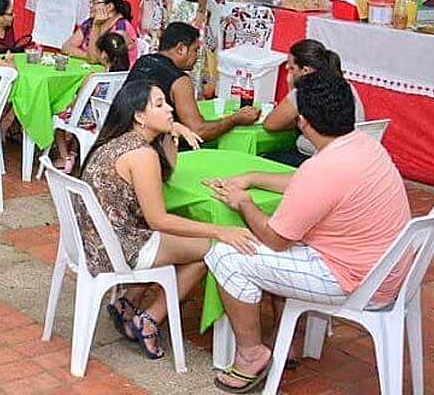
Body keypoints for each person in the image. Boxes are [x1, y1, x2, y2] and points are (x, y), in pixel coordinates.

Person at [203, 72, 411, 393]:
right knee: (267, 245)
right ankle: (290, 338)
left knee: (225, 254)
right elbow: (309, 185)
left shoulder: (322, 168)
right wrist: (253, 177)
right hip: (389, 273)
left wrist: (243, 203)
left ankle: (251, 354)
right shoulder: (364, 146)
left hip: (353, 281)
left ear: (302, 122)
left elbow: (274, 238)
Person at [73, 79, 247, 360]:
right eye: (159, 104)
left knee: (191, 243)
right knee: (212, 250)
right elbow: (159, 220)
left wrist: (169, 132)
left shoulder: (119, 141)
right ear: (139, 116)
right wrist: (221, 230)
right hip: (121, 247)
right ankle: (150, 319)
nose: (169, 109)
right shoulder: (141, 154)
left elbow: (169, 173)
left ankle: (128, 302)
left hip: (96, 243)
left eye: (167, 103)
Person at [125, 22, 260, 142]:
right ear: (181, 48)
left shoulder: (143, 61)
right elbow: (199, 131)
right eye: (195, 50)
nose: (197, 56)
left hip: (124, 137)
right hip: (152, 147)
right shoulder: (180, 80)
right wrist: (234, 119)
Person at [262, 39, 365, 167]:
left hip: (319, 156)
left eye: (292, 67)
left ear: (305, 71)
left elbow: (271, 124)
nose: (287, 68)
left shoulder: (305, 91)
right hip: (351, 152)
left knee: (265, 158)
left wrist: (292, 89)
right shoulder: (346, 85)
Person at [52, 31, 132, 171]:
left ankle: (65, 158)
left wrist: (69, 107)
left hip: (91, 120)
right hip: (111, 119)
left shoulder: (95, 78)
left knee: (59, 120)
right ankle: (74, 152)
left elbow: (79, 101)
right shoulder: (126, 75)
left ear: (104, 55)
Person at [63, 0, 138, 64]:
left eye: (95, 2)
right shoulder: (89, 23)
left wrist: (96, 25)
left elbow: (95, 59)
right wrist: (87, 55)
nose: (91, 6)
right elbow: (66, 47)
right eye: (90, 2)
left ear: (109, 6)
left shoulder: (121, 28)